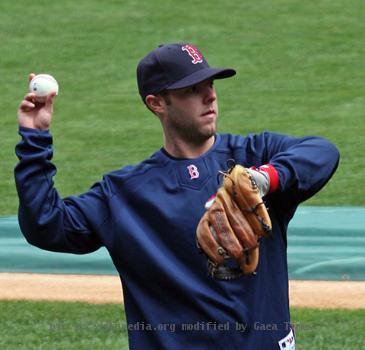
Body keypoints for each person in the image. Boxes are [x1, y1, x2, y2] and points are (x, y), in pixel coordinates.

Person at [15, 43, 339, 349]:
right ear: (156, 103)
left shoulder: (255, 155)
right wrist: (34, 139)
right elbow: (46, 224)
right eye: (192, 90)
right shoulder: (125, 195)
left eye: (210, 84)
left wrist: (264, 178)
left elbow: (322, 152)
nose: (209, 96)